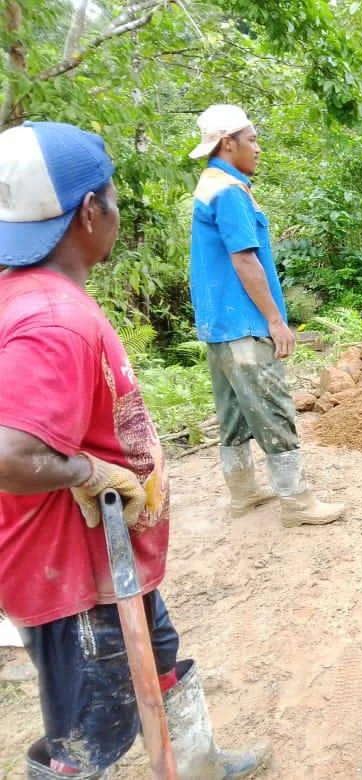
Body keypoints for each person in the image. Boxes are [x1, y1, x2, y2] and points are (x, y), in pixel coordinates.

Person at [0, 121, 266, 778]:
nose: (117, 208)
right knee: (93, 731)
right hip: (78, 574)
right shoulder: (53, 320)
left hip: (111, 559)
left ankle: (199, 761)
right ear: (90, 211)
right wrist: (89, 471)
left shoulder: (31, 294)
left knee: (160, 657)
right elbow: (8, 453)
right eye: (113, 195)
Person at [188, 104, 344, 528]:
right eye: (252, 139)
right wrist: (276, 320)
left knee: (234, 411)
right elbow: (245, 260)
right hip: (244, 323)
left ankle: (243, 492)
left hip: (219, 325)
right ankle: (296, 502)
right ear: (227, 143)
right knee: (274, 408)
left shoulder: (210, 184)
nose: (258, 148)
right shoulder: (231, 193)